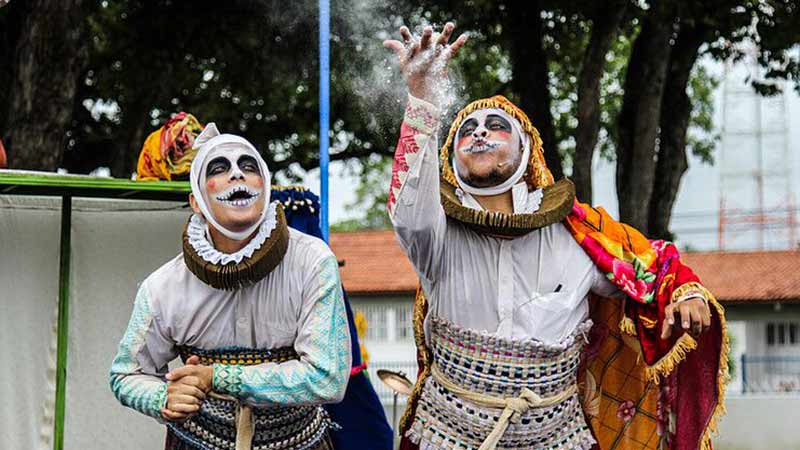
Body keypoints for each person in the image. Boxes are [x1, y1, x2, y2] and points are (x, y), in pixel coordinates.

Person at [384, 23, 727, 450]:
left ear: (527, 149)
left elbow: (652, 266)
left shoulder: (580, 235)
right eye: (467, 129)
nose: (479, 133)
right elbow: (408, 206)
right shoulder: (434, 236)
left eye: (495, 125)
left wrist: (683, 294)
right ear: (451, 158)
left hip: (557, 438)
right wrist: (421, 97)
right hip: (445, 436)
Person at [109, 123, 351, 450]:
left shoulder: (312, 262)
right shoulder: (163, 286)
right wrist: (163, 396)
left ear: (265, 186)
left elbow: (328, 378)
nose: (237, 174)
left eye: (248, 166)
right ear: (197, 201)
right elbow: (125, 374)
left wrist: (218, 377)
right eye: (219, 168)